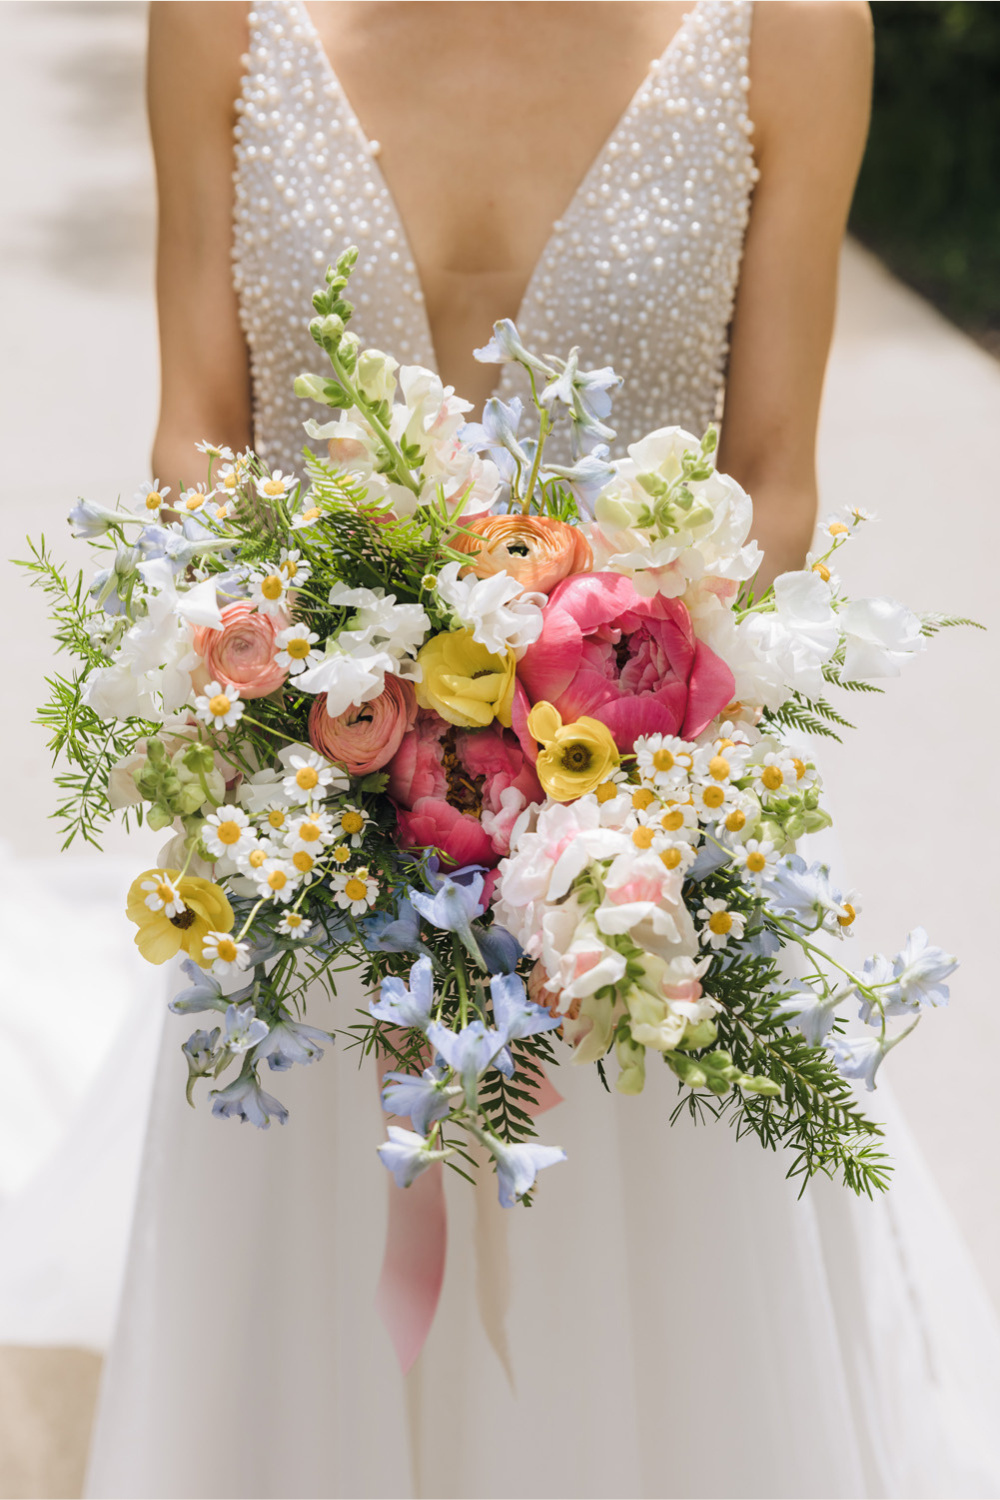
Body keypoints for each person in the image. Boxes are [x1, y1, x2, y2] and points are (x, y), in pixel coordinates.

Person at [86, 4, 1000, 1497]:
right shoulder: (220, 19)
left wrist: (555, 672)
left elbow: (774, 478)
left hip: (629, 847)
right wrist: (356, 647)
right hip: (319, 809)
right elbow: (194, 432)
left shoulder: (791, 31)